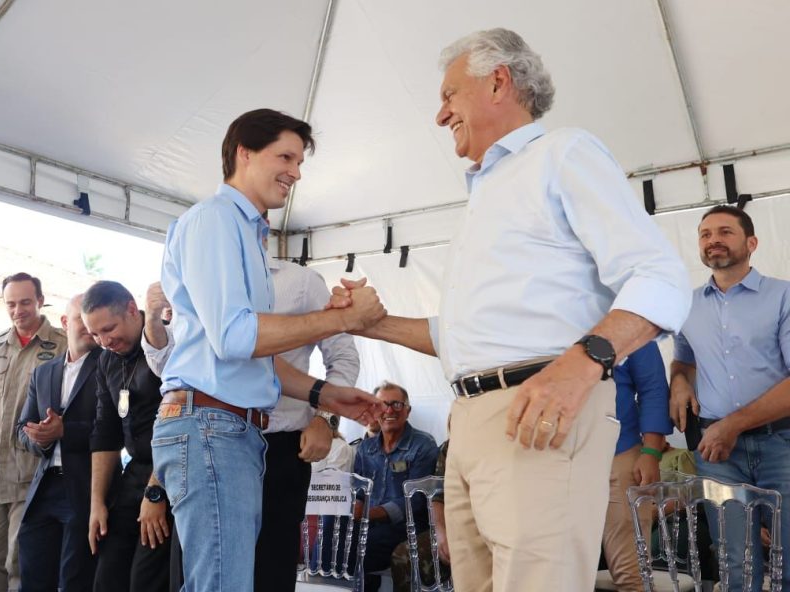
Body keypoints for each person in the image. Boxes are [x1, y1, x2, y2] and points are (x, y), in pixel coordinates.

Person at [329, 28, 691, 592]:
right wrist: (372, 322)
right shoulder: (483, 194)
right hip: (471, 420)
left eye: (450, 95)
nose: (439, 114)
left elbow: (662, 279)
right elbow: (463, 339)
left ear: (498, 80)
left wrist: (584, 362)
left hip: (539, 413)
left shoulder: (562, 153)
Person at [154, 108, 386, 591]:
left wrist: (324, 395)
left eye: (300, 162)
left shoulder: (246, 234)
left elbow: (253, 356)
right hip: (210, 425)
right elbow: (236, 336)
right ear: (244, 152)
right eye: (285, 156)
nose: (296, 173)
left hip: (231, 429)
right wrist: (342, 317)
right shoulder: (215, 220)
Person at [143, 268, 360, 592]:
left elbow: (343, 356)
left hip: (279, 446)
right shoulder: (202, 278)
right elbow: (173, 369)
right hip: (208, 442)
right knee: (199, 575)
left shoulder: (300, 283)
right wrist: (152, 323)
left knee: (269, 572)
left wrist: (325, 420)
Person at [670, 205, 790, 590]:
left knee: (787, 557)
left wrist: (732, 426)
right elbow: (684, 359)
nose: (713, 240)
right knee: (735, 563)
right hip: (718, 455)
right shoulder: (686, 304)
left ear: (751, 243)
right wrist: (679, 382)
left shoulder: (783, 296)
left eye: (725, 231)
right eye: (705, 234)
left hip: (781, 443)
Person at [0, 272, 67, 592]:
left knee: (23, 563)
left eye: (25, 302)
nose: (18, 310)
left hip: (34, 474)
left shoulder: (62, 345)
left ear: (40, 301)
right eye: (11, 304)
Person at [82, 281, 174, 592]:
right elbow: (105, 434)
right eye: (95, 335)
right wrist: (97, 503)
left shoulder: (167, 340)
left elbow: (180, 418)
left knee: (144, 582)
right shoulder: (106, 359)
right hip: (132, 474)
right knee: (107, 578)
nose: (104, 341)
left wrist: (156, 492)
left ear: (133, 310)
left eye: (109, 329)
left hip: (170, 472)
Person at [15, 295, 101, 591]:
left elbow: (115, 429)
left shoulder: (110, 366)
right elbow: (21, 430)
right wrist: (39, 437)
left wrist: (65, 431)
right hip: (43, 488)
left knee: (74, 580)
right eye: (82, 319)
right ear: (65, 323)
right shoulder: (43, 372)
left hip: (87, 489)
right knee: (33, 576)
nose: (91, 327)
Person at [350, 382, 438, 590]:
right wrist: (355, 506)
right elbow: (358, 491)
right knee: (327, 541)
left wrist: (369, 513)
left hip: (408, 526)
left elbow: (417, 500)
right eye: (382, 404)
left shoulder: (423, 445)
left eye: (397, 405)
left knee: (361, 546)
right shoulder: (365, 448)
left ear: (407, 411)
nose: (389, 410)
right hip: (369, 524)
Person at [602, 341, 672, 592]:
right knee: (557, 567)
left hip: (621, 453)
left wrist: (651, 451)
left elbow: (653, 388)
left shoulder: (630, 318)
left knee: (632, 574)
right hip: (556, 457)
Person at [390, 439, 451, 592]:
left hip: (491, 531)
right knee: (404, 555)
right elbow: (437, 497)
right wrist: (441, 534)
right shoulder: (452, 446)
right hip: (453, 528)